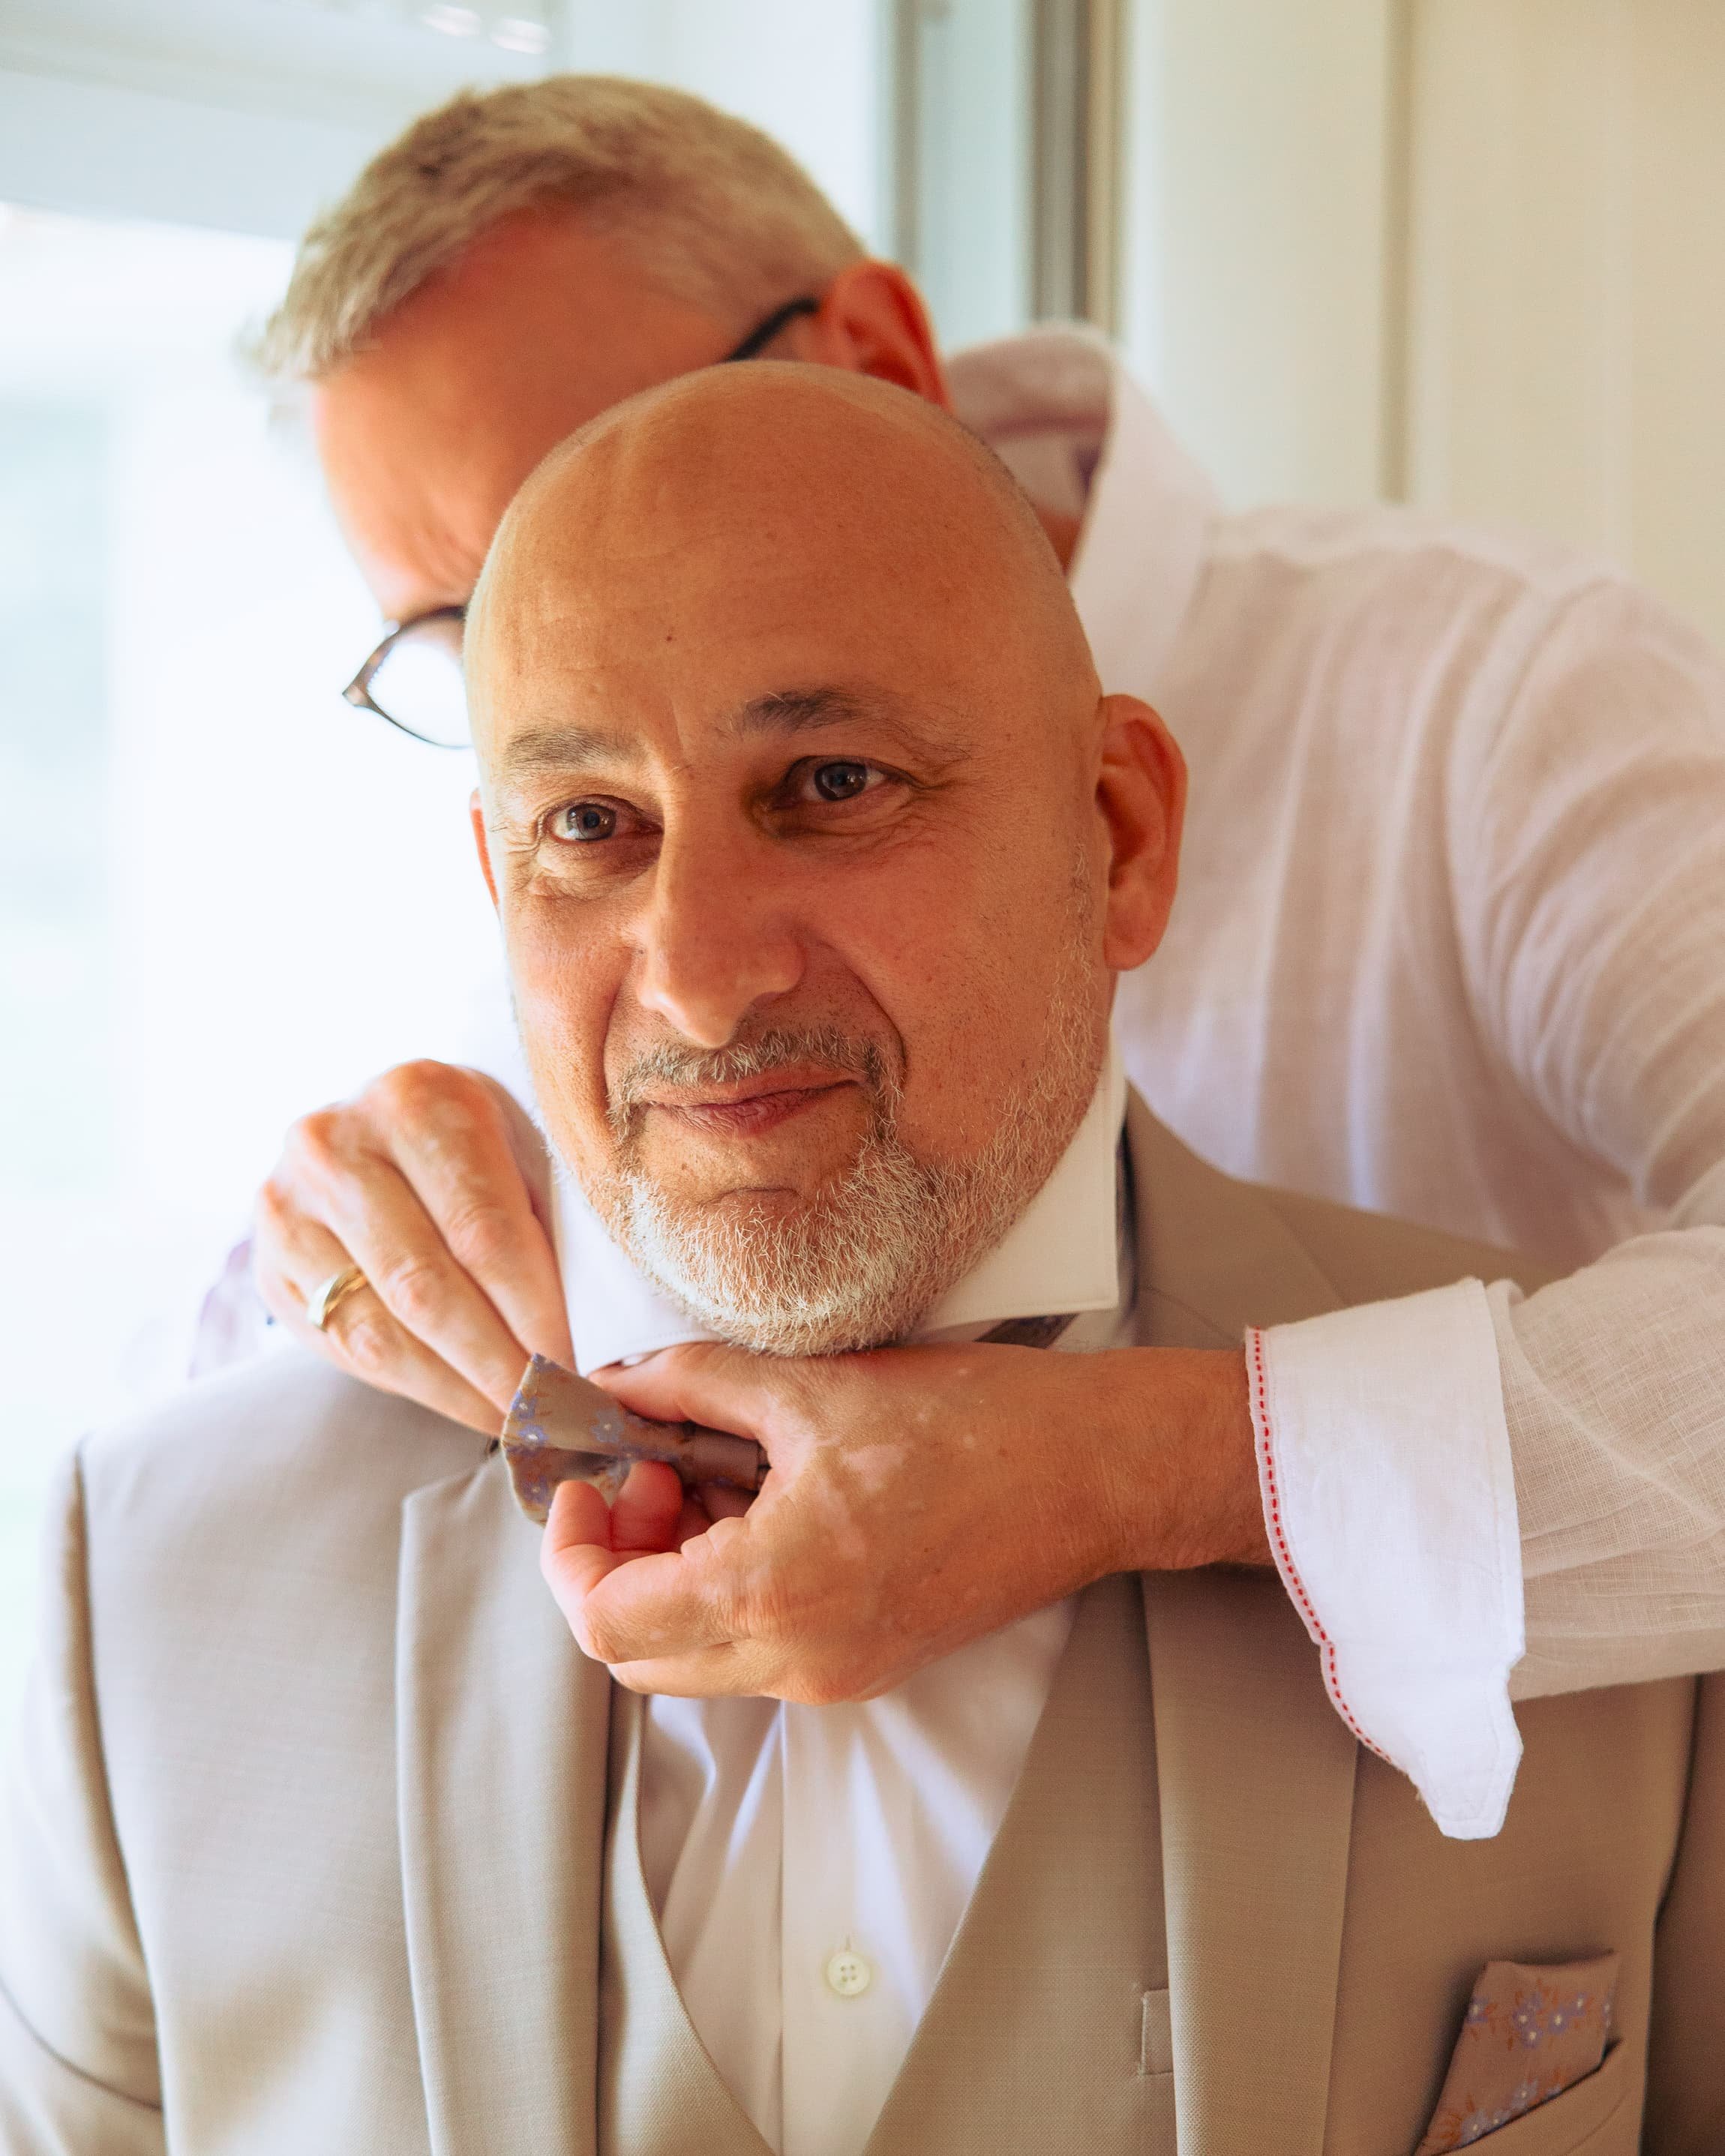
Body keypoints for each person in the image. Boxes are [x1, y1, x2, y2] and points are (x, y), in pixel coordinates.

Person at [6, 364, 1720, 2156]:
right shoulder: (148, 1582)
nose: (698, 976)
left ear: (1120, 839)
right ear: (498, 879)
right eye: (588, 822)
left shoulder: (1624, 1566)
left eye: (831, 785)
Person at [238, 77, 1725, 1840]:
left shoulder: (1499, 705)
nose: (701, 973)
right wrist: (337, 1242)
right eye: (462, 635)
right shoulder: (615, 896)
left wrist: (1132, 1460)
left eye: (831, 786)